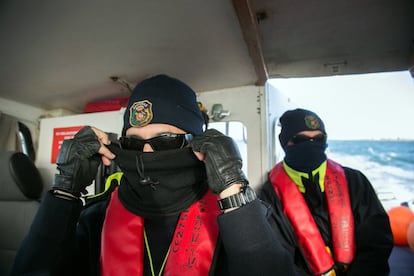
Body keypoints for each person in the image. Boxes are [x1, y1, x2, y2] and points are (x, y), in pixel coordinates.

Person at [11, 74, 298, 276]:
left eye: (165, 142)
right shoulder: (95, 217)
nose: (147, 156)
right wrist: (65, 191)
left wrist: (234, 191)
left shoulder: (243, 217)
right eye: (134, 144)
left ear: (198, 144)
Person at [258, 108, 393, 275]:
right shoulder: (269, 195)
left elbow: (377, 242)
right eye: (301, 140)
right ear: (284, 143)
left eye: (319, 139)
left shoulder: (356, 182)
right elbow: (276, 257)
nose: (311, 145)